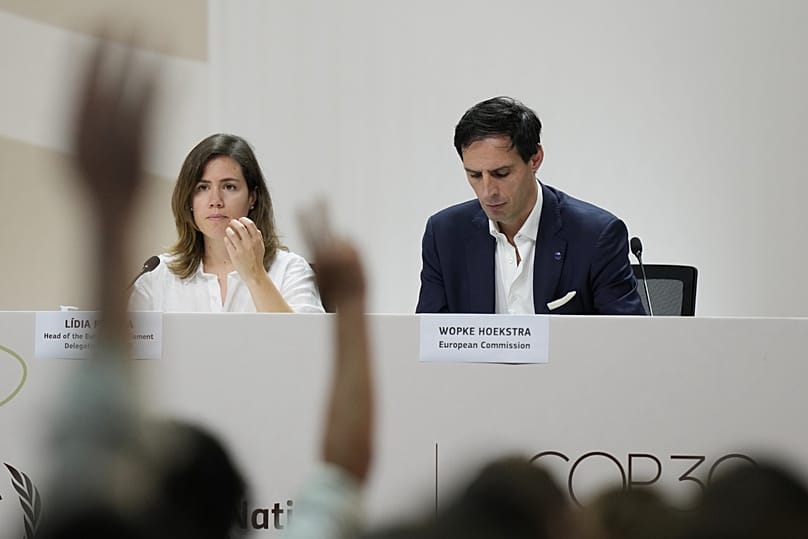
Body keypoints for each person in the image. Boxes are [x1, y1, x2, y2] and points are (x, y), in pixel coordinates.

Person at [416, 96, 645, 315]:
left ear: (535, 159)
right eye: (475, 175)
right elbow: (428, 341)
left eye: (501, 173)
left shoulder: (596, 236)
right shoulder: (444, 235)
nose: (488, 192)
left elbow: (627, 342)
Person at [130, 133, 324, 313]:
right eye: (203, 187)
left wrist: (255, 275)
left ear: (252, 198)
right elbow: (123, 347)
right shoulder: (156, 276)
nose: (216, 200)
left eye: (229, 186)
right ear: (189, 200)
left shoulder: (290, 270)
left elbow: (306, 347)